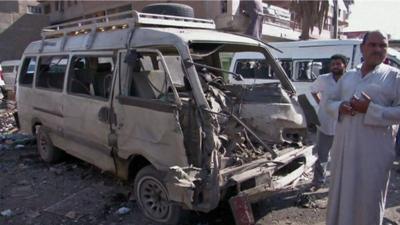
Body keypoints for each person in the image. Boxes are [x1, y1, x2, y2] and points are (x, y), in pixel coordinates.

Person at [324, 31, 400, 225]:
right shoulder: (348, 77)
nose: (378, 49)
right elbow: (329, 101)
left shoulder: (394, 77)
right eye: (373, 45)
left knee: (369, 199)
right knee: (342, 195)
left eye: (382, 45)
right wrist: (339, 107)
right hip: (344, 149)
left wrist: (371, 110)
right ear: (362, 48)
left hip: (374, 152)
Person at [309, 54, 347, 189]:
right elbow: (313, 91)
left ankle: (340, 183)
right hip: (325, 123)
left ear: (344, 65)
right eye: (333, 64)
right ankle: (318, 181)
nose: (336, 66)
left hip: (344, 124)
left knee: (343, 156)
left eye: (338, 63)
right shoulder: (323, 79)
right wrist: (321, 103)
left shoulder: (350, 79)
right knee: (322, 155)